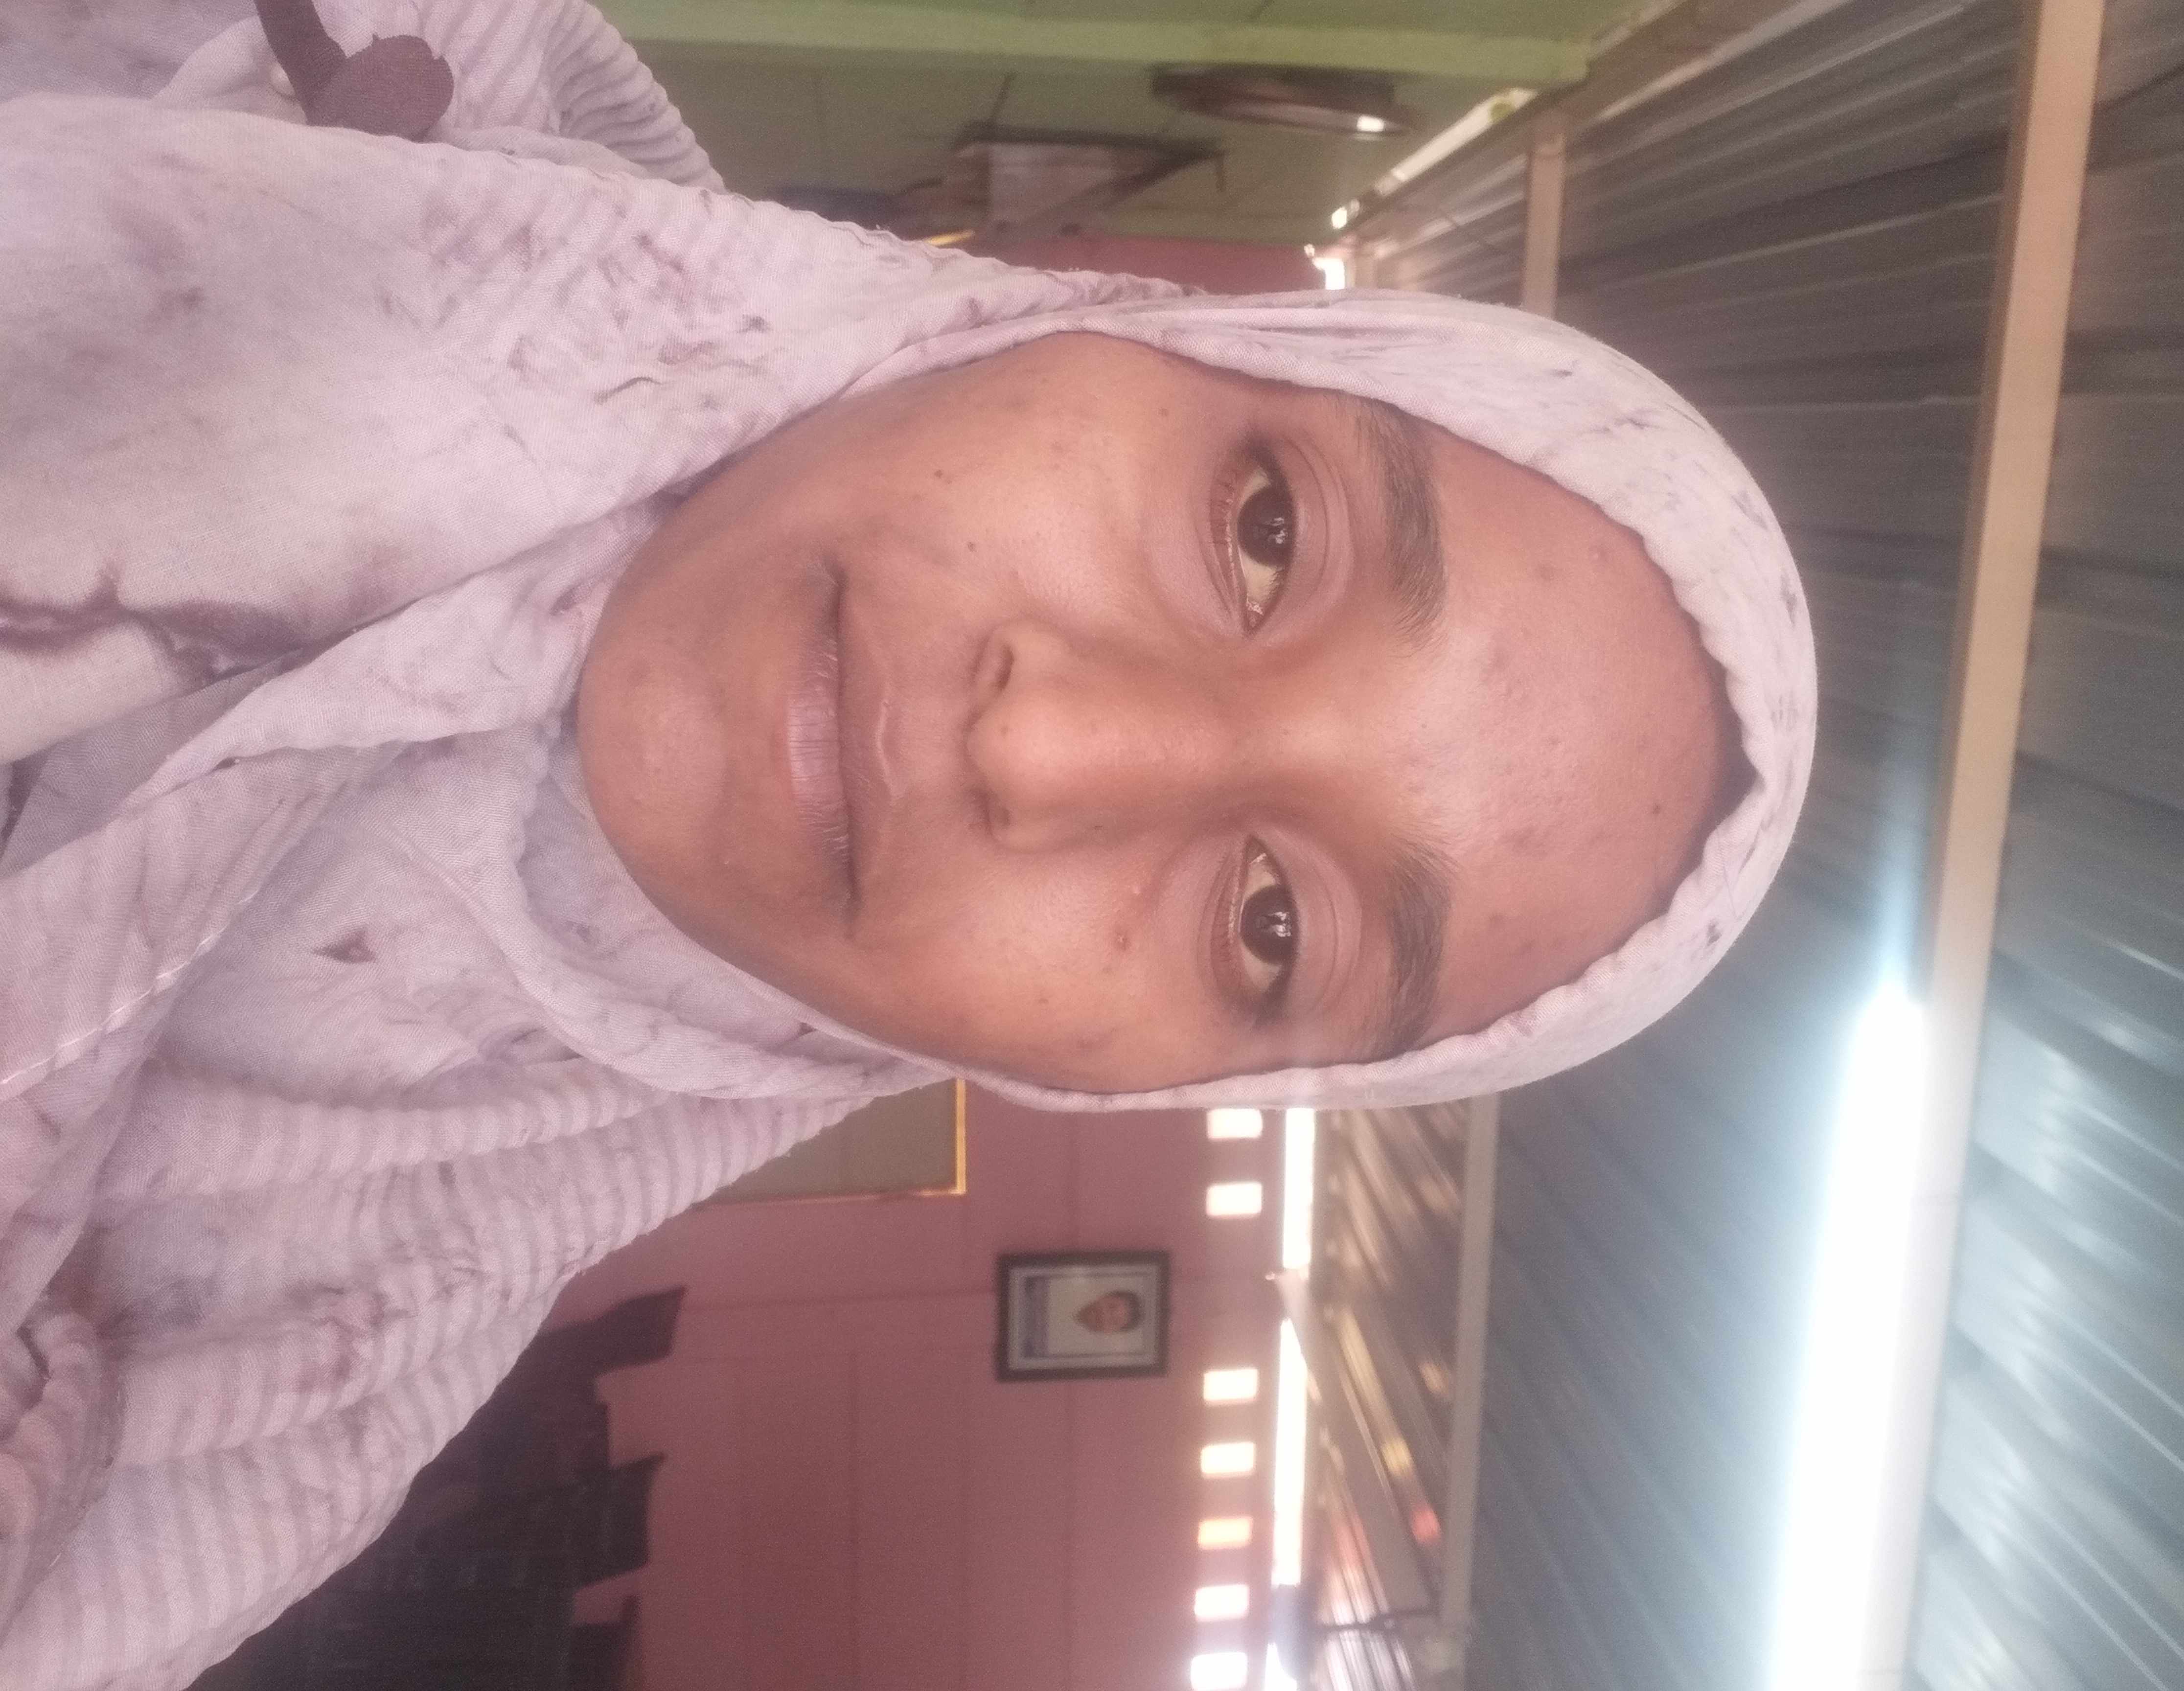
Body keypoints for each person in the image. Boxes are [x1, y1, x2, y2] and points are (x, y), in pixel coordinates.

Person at [0, 1, 1814, 1685]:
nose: (1045, 744)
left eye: (1270, 922)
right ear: (1109, 320)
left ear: (1117, 1087)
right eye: (1265, 533)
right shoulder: (277, 50)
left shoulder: (241, 1421)